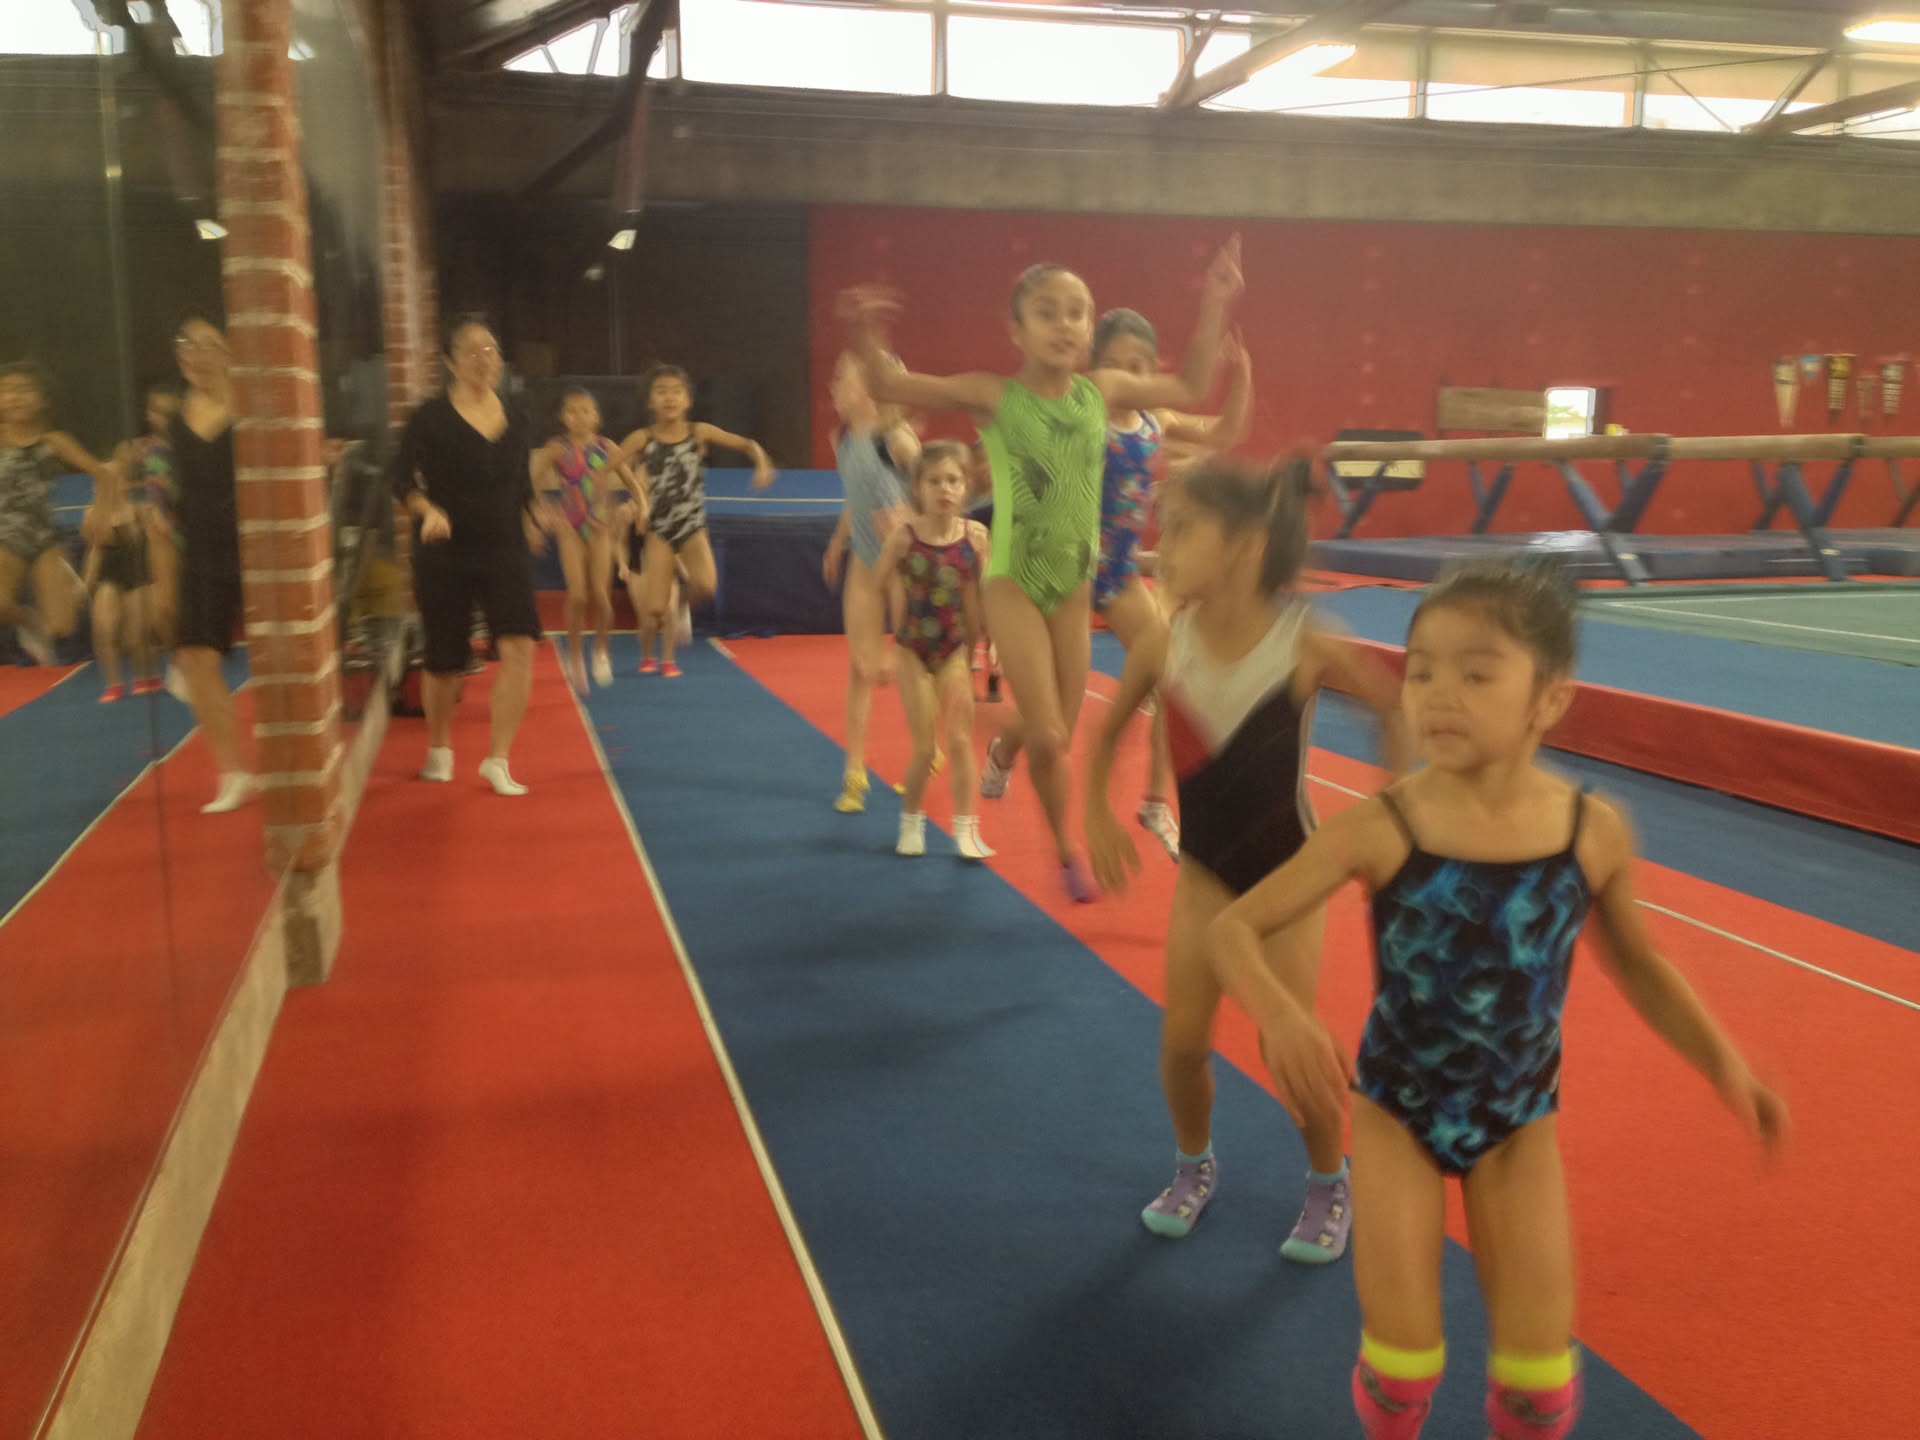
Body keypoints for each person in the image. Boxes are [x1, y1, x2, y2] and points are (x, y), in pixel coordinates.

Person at [1205, 558, 1790, 1440]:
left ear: (1551, 698)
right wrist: (1283, 1016)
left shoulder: (1590, 831)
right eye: (1422, 672)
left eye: (1476, 675)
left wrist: (1727, 1067)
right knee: (1402, 1371)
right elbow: (1233, 931)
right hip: (1398, 1112)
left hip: (1519, 1123)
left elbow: (1642, 966)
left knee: (1539, 1389)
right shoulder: (1384, 825)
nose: (1439, 695)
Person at [841, 237, 1243, 901]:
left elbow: (1192, 386)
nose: (1065, 325)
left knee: (1055, 732)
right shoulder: (993, 396)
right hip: (1014, 585)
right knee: (1052, 736)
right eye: (1047, 312)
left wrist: (1216, 300)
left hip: (1074, 588)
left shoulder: (1101, 391)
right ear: (1017, 329)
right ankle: (1063, 848)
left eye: (1077, 313)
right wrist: (865, 332)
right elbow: (890, 385)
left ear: (1090, 326)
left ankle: (1010, 759)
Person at [1086, 456, 1406, 1258]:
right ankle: (1194, 1165)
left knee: (1286, 1044)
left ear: (1244, 545)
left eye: (1181, 530)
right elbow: (1109, 734)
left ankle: (1329, 1180)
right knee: (1181, 1044)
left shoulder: (1306, 640)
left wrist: (1392, 819)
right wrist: (1095, 810)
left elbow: (1392, 708)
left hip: (1288, 880)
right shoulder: (1163, 642)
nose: (1161, 546)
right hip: (1203, 878)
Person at [987, 309, 1255, 862]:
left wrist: (1242, 376)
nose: (1127, 376)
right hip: (1067, 573)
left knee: (1171, 672)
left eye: (1139, 366)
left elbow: (1225, 433)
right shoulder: (1084, 412)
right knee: (1048, 711)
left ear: (1153, 370)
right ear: (1095, 367)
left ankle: (1155, 803)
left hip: (1119, 574)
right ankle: (1004, 750)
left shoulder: (1157, 417)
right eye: (1115, 365)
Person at [392, 318, 545, 796]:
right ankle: (439, 747)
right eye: (472, 351)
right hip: (445, 552)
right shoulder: (429, 418)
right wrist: (427, 510)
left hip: (504, 549)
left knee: (519, 645)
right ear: (451, 361)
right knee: (444, 660)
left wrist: (535, 512)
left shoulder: (518, 418)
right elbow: (401, 481)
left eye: (491, 350)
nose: (484, 359)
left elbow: (520, 482)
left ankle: (498, 759)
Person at [613, 365, 776, 678]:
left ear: (688, 399)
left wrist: (761, 461)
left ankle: (681, 606)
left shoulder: (699, 432)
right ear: (650, 402)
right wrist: (602, 490)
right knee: (654, 610)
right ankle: (648, 651)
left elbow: (746, 444)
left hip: (691, 526)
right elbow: (614, 465)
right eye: (661, 392)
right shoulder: (644, 438)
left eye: (677, 391)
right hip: (660, 529)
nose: (669, 398)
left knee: (706, 585)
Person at [871, 441, 992, 859]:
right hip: (912, 651)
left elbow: (983, 597)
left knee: (960, 740)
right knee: (925, 748)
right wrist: (878, 648)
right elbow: (875, 589)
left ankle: (966, 830)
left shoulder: (975, 538)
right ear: (918, 489)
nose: (945, 489)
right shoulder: (903, 539)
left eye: (953, 480)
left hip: (954, 651)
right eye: (935, 481)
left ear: (965, 487)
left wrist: (989, 645)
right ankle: (911, 822)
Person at [158, 315, 258, 812]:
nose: (193, 356)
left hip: (254, 547)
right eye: (185, 346)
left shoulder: (251, 409)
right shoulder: (175, 424)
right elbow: (162, 500)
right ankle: (233, 772)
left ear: (227, 353)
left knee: (282, 657)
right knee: (198, 659)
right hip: (200, 551)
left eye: (204, 346)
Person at [823, 351, 918, 813]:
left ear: (870, 388)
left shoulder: (896, 439)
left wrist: (913, 518)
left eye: (842, 377)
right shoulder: (843, 440)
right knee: (860, 667)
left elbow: (940, 490)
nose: (833, 385)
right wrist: (837, 542)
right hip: (864, 559)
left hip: (903, 564)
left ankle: (927, 750)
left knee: (910, 662)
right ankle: (854, 771)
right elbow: (854, 498)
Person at [0, 361, 107, 666]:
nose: (16, 397)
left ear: (42, 399)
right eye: (7, 391)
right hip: (7, 537)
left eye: (24, 390)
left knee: (62, 627)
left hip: (44, 537)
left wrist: (100, 511)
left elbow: (103, 474)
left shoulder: (53, 442)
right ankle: (28, 621)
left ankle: (58, 607)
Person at [532, 387, 629, 693]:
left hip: (599, 527)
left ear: (596, 416)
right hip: (570, 528)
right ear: (563, 417)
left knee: (601, 596)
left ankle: (600, 649)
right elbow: (530, 479)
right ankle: (575, 654)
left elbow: (632, 482)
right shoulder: (557, 447)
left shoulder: (606, 446)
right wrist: (541, 510)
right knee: (576, 596)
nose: (579, 417)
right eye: (572, 411)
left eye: (586, 411)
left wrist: (638, 507)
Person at [80, 443, 156, 701]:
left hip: (136, 571)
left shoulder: (138, 512)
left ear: (125, 485)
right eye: (103, 483)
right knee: (104, 629)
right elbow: (94, 551)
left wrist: (156, 582)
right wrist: (86, 584)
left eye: (114, 481)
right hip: (108, 574)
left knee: (137, 634)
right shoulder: (91, 516)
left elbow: (151, 547)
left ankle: (146, 676)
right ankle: (113, 684)